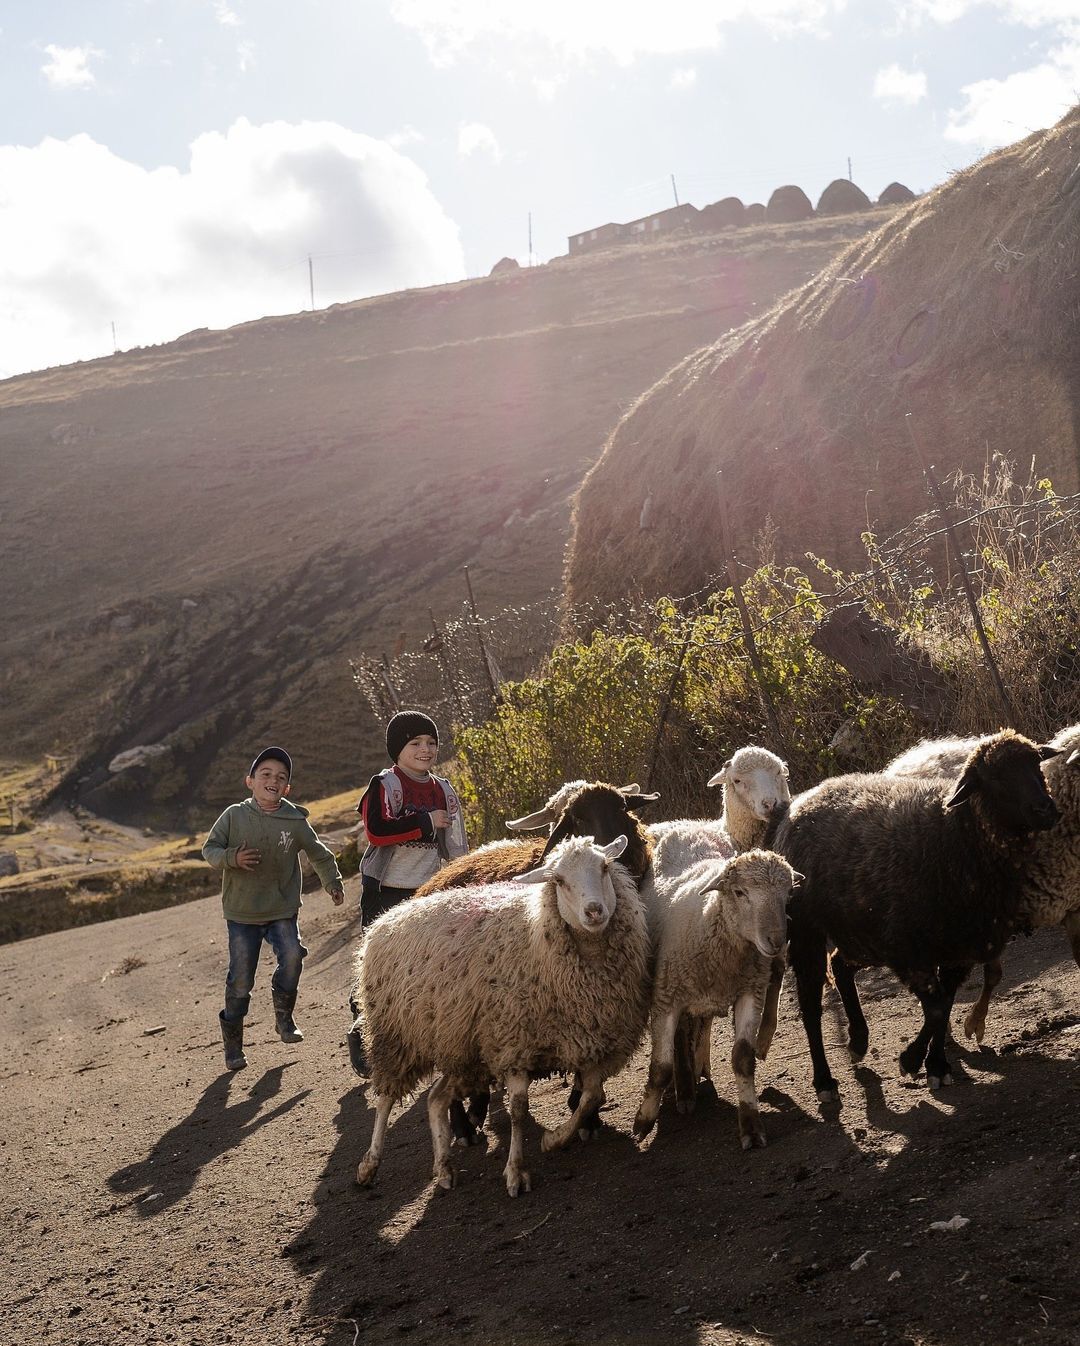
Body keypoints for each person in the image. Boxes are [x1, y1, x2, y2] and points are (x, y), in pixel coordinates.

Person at [203, 746, 345, 1072]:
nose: (273, 780)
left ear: (287, 789)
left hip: (282, 907)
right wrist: (231, 859)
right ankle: (233, 1043)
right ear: (250, 781)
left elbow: (319, 854)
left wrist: (332, 882)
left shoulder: (294, 821)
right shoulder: (234, 816)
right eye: (265, 774)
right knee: (241, 979)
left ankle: (284, 1018)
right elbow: (210, 849)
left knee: (293, 955)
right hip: (242, 912)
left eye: (281, 777)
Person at [347, 710, 468, 1076]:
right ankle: (360, 1029)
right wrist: (424, 821)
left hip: (427, 892)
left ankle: (424, 1038)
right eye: (415, 743)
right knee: (378, 966)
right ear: (397, 750)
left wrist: (467, 879)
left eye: (431, 743)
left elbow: (458, 847)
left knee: (423, 964)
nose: (425, 749)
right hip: (384, 890)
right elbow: (377, 832)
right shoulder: (384, 785)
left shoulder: (444, 790)